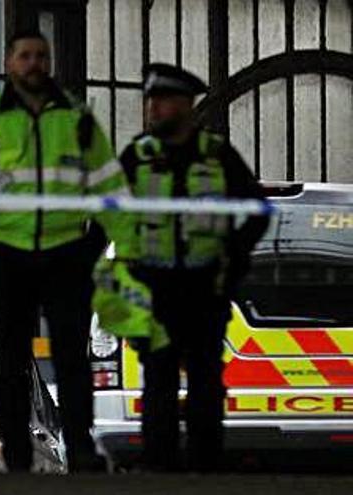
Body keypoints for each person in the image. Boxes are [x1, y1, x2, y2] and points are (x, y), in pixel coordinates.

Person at [0, 30, 127, 472]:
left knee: (71, 359)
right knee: (9, 360)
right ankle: (18, 455)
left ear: (49, 63)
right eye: (25, 56)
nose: (34, 64)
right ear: (9, 63)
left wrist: (96, 246)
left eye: (41, 56)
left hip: (67, 252)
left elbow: (111, 188)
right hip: (10, 253)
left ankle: (81, 447)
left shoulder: (79, 122)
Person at [115, 63, 269, 472]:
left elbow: (257, 211)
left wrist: (233, 258)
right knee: (158, 380)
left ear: (185, 105)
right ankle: (159, 465)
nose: (153, 109)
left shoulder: (218, 157)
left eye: (162, 101)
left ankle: (206, 465)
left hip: (205, 289)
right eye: (151, 101)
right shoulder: (137, 156)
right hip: (153, 291)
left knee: (204, 380)